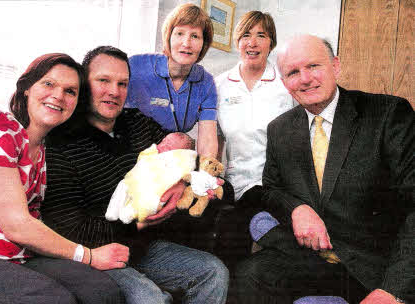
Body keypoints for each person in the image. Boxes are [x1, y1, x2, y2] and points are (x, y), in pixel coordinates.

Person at [42, 46, 229, 304]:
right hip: (97, 250)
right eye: (103, 81)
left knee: (213, 271)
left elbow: (182, 156)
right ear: (84, 83)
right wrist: (136, 224)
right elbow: (69, 226)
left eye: (122, 83)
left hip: (143, 247)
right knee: (149, 298)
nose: (114, 91)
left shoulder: (138, 122)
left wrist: (183, 181)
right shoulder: (61, 140)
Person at [235, 34, 414, 304]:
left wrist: (393, 291)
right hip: (311, 258)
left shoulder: (388, 114)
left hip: (373, 267)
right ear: (285, 83)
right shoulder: (280, 129)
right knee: (250, 274)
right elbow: (271, 189)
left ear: (336, 66)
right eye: (293, 72)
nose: (305, 78)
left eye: (314, 66)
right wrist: (297, 209)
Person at [0, 53, 125, 303]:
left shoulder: (45, 149)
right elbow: (17, 225)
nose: (59, 96)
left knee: (101, 291)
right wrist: (89, 256)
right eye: (49, 84)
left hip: (21, 256)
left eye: (70, 91)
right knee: (53, 299)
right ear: (27, 87)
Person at [214, 11, 294, 269]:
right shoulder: (220, 85)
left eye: (261, 35)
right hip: (233, 182)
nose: (253, 42)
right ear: (238, 42)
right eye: (246, 35)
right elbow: (216, 140)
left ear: (271, 43)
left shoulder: (285, 85)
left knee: (240, 234)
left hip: (274, 183)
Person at [125, 3, 218, 158]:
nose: (186, 43)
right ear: (168, 36)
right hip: (130, 154)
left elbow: (207, 140)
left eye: (195, 36)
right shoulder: (136, 66)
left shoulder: (206, 83)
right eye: (180, 33)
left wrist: (204, 176)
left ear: (204, 44)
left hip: (172, 159)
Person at [105, 132, 196, 224]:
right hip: (135, 181)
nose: (162, 145)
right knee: (123, 185)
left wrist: (182, 182)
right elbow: (143, 158)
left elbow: (186, 168)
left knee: (146, 202)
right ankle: (113, 211)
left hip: (155, 190)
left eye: (168, 147)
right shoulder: (153, 153)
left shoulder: (179, 160)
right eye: (163, 141)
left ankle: (129, 215)